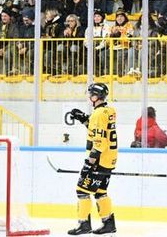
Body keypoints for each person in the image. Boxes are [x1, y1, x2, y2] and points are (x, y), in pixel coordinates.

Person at [66, 83, 118, 235]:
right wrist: (83, 119)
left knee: (82, 191)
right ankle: (108, 224)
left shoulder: (97, 114)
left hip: (99, 160)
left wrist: (90, 162)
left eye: (91, 94)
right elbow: (98, 129)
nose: (89, 96)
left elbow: (100, 141)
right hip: (109, 159)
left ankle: (84, 225)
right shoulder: (109, 111)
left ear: (96, 96)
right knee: (100, 192)